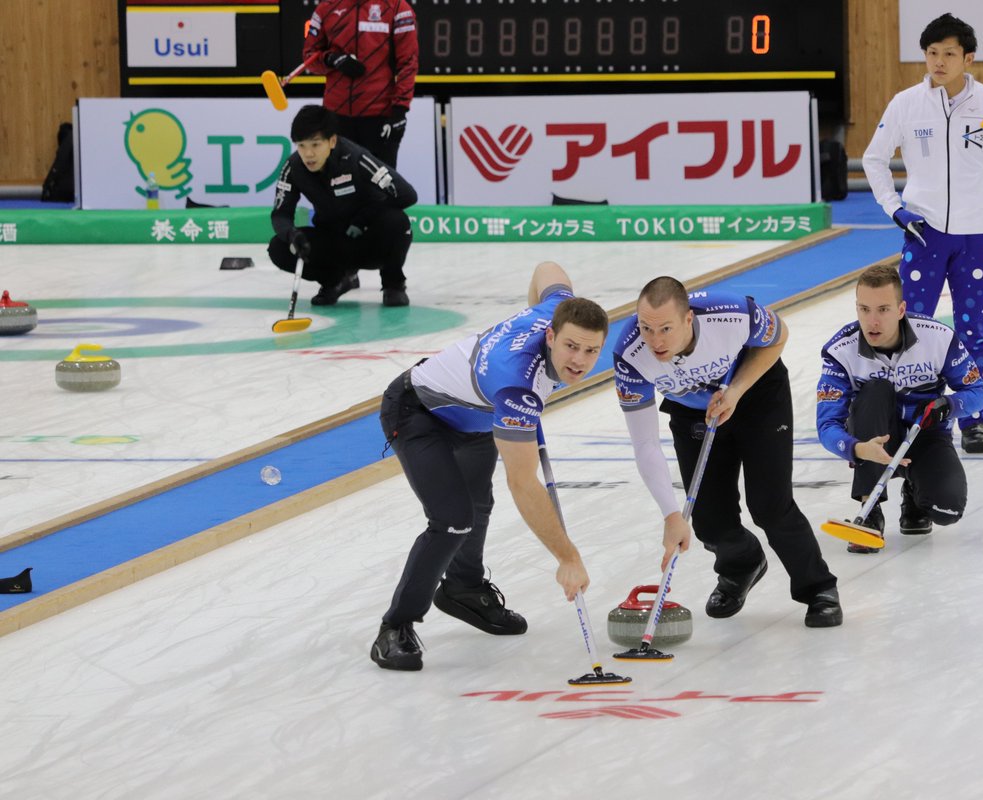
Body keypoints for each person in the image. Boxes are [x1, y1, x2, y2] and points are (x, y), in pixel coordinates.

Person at [372, 261, 609, 671]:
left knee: (477, 505)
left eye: (591, 350)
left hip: (476, 415)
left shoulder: (558, 307)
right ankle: (396, 625)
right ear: (551, 335)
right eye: (571, 346)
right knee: (452, 519)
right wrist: (567, 557)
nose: (580, 360)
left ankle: (462, 589)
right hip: (418, 412)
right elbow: (524, 483)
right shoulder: (517, 383)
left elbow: (548, 269)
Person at [612, 277, 842, 629]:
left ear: (689, 319)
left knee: (770, 506)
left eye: (665, 329)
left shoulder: (730, 313)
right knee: (708, 521)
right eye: (646, 328)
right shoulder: (630, 355)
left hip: (757, 394)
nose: (655, 341)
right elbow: (644, 444)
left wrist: (736, 390)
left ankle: (818, 589)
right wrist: (670, 515)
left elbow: (778, 336)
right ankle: (742, 565)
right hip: (692, 411)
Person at [861, 12, 983, 454]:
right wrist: (894, 209)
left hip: (977, 234)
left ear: (967, 58)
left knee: (972, 328)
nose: (938, 61)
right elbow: (874, 159)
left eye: (949, 54)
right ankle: (912, 416)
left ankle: (974, 420)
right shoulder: (906, 103)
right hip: (924, 231)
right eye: (932, 53)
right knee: (914, 328)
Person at [816, 264, 983, 554]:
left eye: (883, 309)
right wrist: (858, 449)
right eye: (864, 309)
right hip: (874, 439)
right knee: (875, 390)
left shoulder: (938, 338)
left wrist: (949, 405)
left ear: (900, 309)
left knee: (947, 511)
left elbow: (977, 392)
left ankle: (914, 492)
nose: (872, 321)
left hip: (927, 433)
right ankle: (869, 511)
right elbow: (827, 426)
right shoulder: (839, 351)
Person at [269, 105, 415, 307]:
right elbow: (280, 214)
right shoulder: (293, 167)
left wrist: (364, 218)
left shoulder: (356, 158)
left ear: (332, 141)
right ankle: (336, 280)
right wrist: (291, 234)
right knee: (278, 247)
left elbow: (407, 194)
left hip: (369, 239)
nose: (308, 154)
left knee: (398, 221)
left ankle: (393, 283)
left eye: (315, 145)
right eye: (301, 146)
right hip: (333, 241)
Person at [304, 0, 418, 170]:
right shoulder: (326, 7)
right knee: (339, 190)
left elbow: (408, 64)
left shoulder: (397, 7)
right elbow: (309, 57)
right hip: (336, 117)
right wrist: (332, 59)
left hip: (379, 117)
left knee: (380, 192)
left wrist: (399, 111)